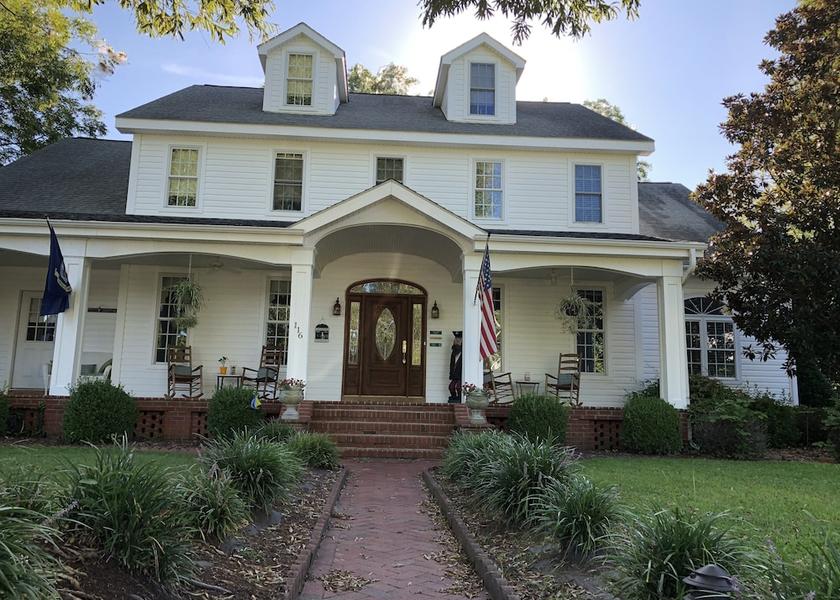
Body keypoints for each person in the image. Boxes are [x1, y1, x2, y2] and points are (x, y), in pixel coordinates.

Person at [448, 331, 463, 403]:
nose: (457, 341)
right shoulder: (453, 352)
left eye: (459, 339)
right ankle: (454, 399)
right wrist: (451, 374)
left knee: (459, 387)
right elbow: (452, 364)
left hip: (461, 375)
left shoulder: (464, 351)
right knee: (451, 387)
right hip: (454, 375)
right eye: (456, 339)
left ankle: (460, 399)